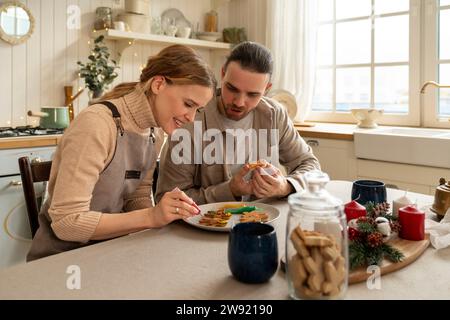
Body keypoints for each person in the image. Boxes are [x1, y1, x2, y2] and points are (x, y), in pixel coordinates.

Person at [27, 45, 215, 261]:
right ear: (158, 84)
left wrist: (161, 219)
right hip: (61, 259)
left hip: (110, 250)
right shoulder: (96, 125)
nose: (191, 117)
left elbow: (137, 196)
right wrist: (151, 217)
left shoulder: (155, 132)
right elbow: (67, 224)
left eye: (197, 109)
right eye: (188, 104)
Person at [155, 42, 320, 205]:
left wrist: (286, 186)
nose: (239, 102)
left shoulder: (275, 114)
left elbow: (310, 164)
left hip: (265, 225)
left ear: (267, 89)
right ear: (223, 74)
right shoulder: (189, 119)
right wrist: (230, 190)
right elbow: (168, 200)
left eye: (253, 94)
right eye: (232, 89)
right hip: (203, 229)